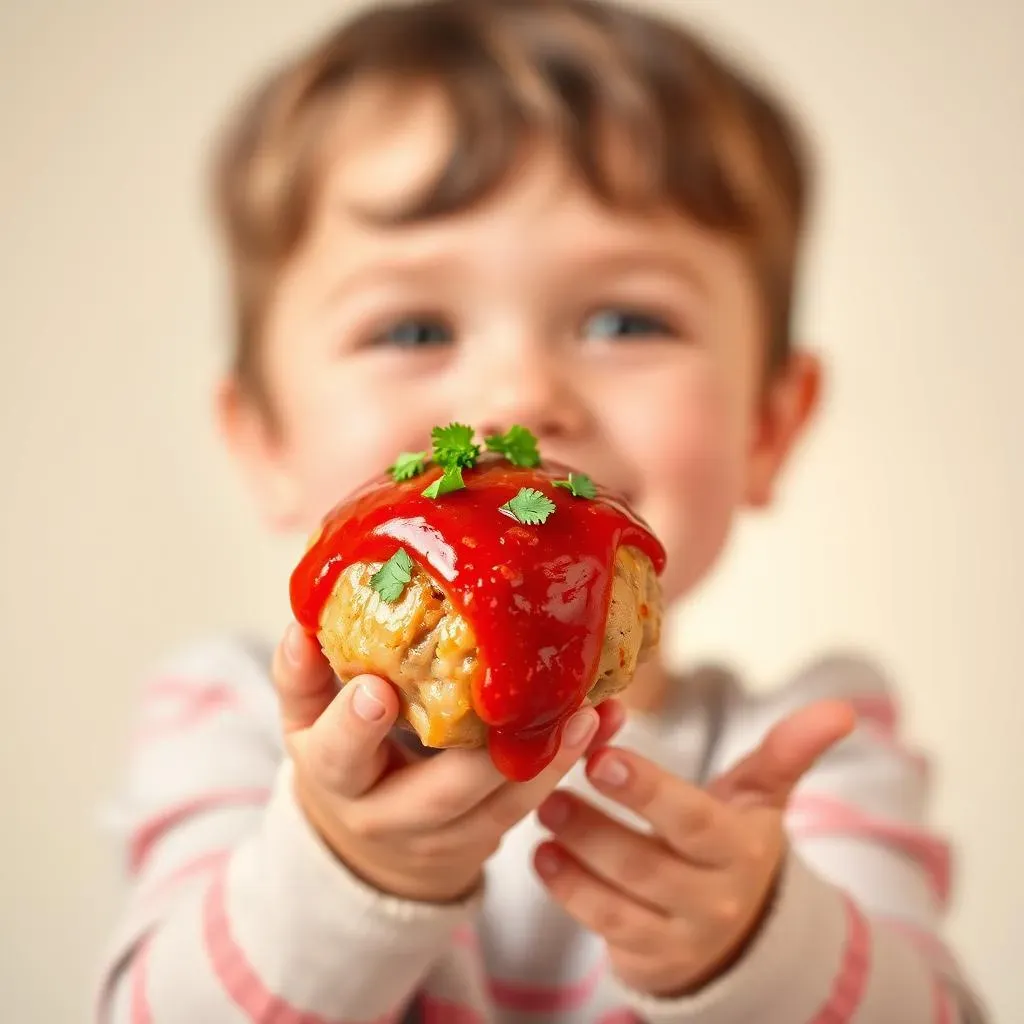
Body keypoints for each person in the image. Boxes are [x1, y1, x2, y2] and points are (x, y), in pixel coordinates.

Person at [94, 0, 989, 1020]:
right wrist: (341, 869)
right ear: (264, 440)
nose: (519, 397)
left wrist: (760, 945)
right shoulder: (227, 722)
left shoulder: (810, 751)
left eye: (624, 319)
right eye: (414, 325)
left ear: (769, 426)